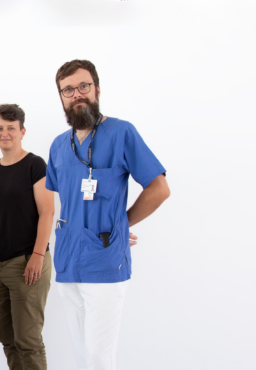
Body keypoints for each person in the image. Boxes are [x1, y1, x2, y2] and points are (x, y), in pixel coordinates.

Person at [45, 59, 171, 370]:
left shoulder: (121, 132)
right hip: (67, 261)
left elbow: (159, 188)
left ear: (97, 89)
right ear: (61, 97)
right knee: (81, 353)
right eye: (68, 90)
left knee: (99, 358)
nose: (77, 94)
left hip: (103, 259)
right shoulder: (59, 146)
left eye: (83, 86)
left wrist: (121, 222)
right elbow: (67, 202)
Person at [0, 104, 53, 370]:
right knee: (7, 338)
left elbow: (47, 212)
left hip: (26, 261)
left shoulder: (35, 165)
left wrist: (38, 256)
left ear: (22, 131)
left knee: (28, 340)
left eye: (11, 128)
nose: (4, 133)